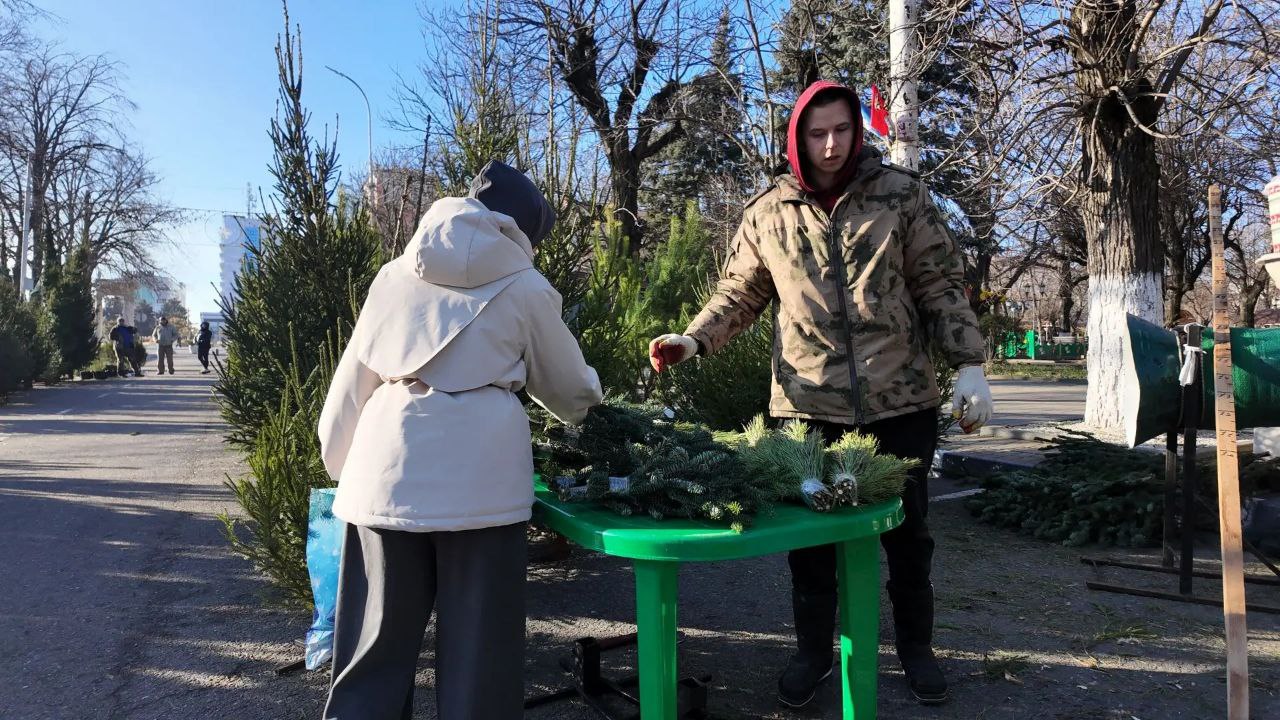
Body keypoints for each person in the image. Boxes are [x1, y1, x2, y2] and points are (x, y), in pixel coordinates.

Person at [647, 80, 994, 708]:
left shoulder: (901, 196)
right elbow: (739, 295)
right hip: (806, 408)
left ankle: (916, 649)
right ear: (797, 137)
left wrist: (970, 362)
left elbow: (940, 283)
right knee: (810, 546)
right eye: (816, 133)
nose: (831, 145)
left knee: (908, 537)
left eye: (841, 130)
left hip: (901, 401)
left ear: (857, 130)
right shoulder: (767, 213)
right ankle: (813, 653)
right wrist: (693, 340)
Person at [318, 160, 603, 720]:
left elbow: (352, 384)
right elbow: (571, 393)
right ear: (523, 230)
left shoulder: (392, 276)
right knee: (481, 667)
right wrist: (593, 396)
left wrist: (340, 467)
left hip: (383, 487)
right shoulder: (526, 285)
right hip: (482, 495)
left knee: (371, 662)